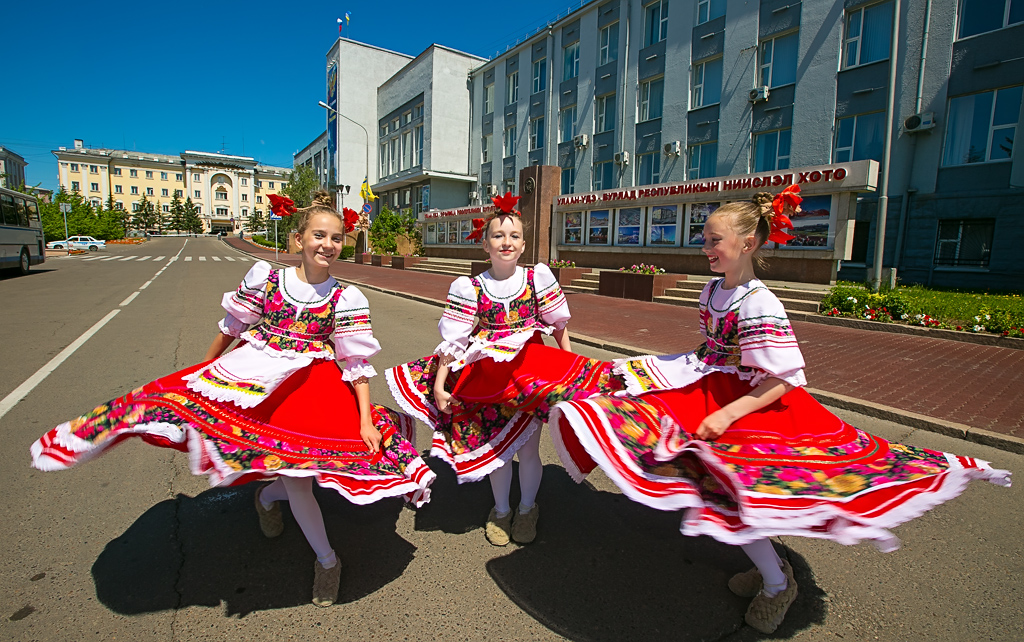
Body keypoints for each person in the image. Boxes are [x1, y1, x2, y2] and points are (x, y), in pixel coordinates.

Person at [549, 186, 1010, 634]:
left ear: (747, 243)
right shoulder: (713, 290)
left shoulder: (761, 302)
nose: (705, 246)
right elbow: (716, 347)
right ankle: (770, 567)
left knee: (734, 494)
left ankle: (775, 583)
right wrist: (673, 371)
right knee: (705, 479)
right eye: (705, 239)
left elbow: (785, 376)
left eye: (714, 240)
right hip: (712, 389)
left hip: (750, 405)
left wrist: (729, 414)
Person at [31, 192, 434, 607]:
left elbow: (355, 362)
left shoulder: (345, 298)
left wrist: (366, 420)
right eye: (318, 235)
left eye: (335, 238)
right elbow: (231, 327)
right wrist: (199, 373)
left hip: (312, 392)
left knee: (302, 472)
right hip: (258, 382)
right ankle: (327, 561)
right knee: (297, 480)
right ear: (299, 239)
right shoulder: (267, 279)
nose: (327, 244)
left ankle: (266, 497)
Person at [385, 192, 621, 546]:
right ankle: (500, 509)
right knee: (497, 448)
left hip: (530, 374)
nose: (505, 242)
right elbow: (454, 342)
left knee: (528, 449)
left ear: (523, 244)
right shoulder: (470, 287)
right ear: (485, 245)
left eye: (513, 236)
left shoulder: (537, 279)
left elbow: (559, 327)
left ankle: (527, 508)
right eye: (498, 235)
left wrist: (573, 371)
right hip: (488, 380)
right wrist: (439, 385)